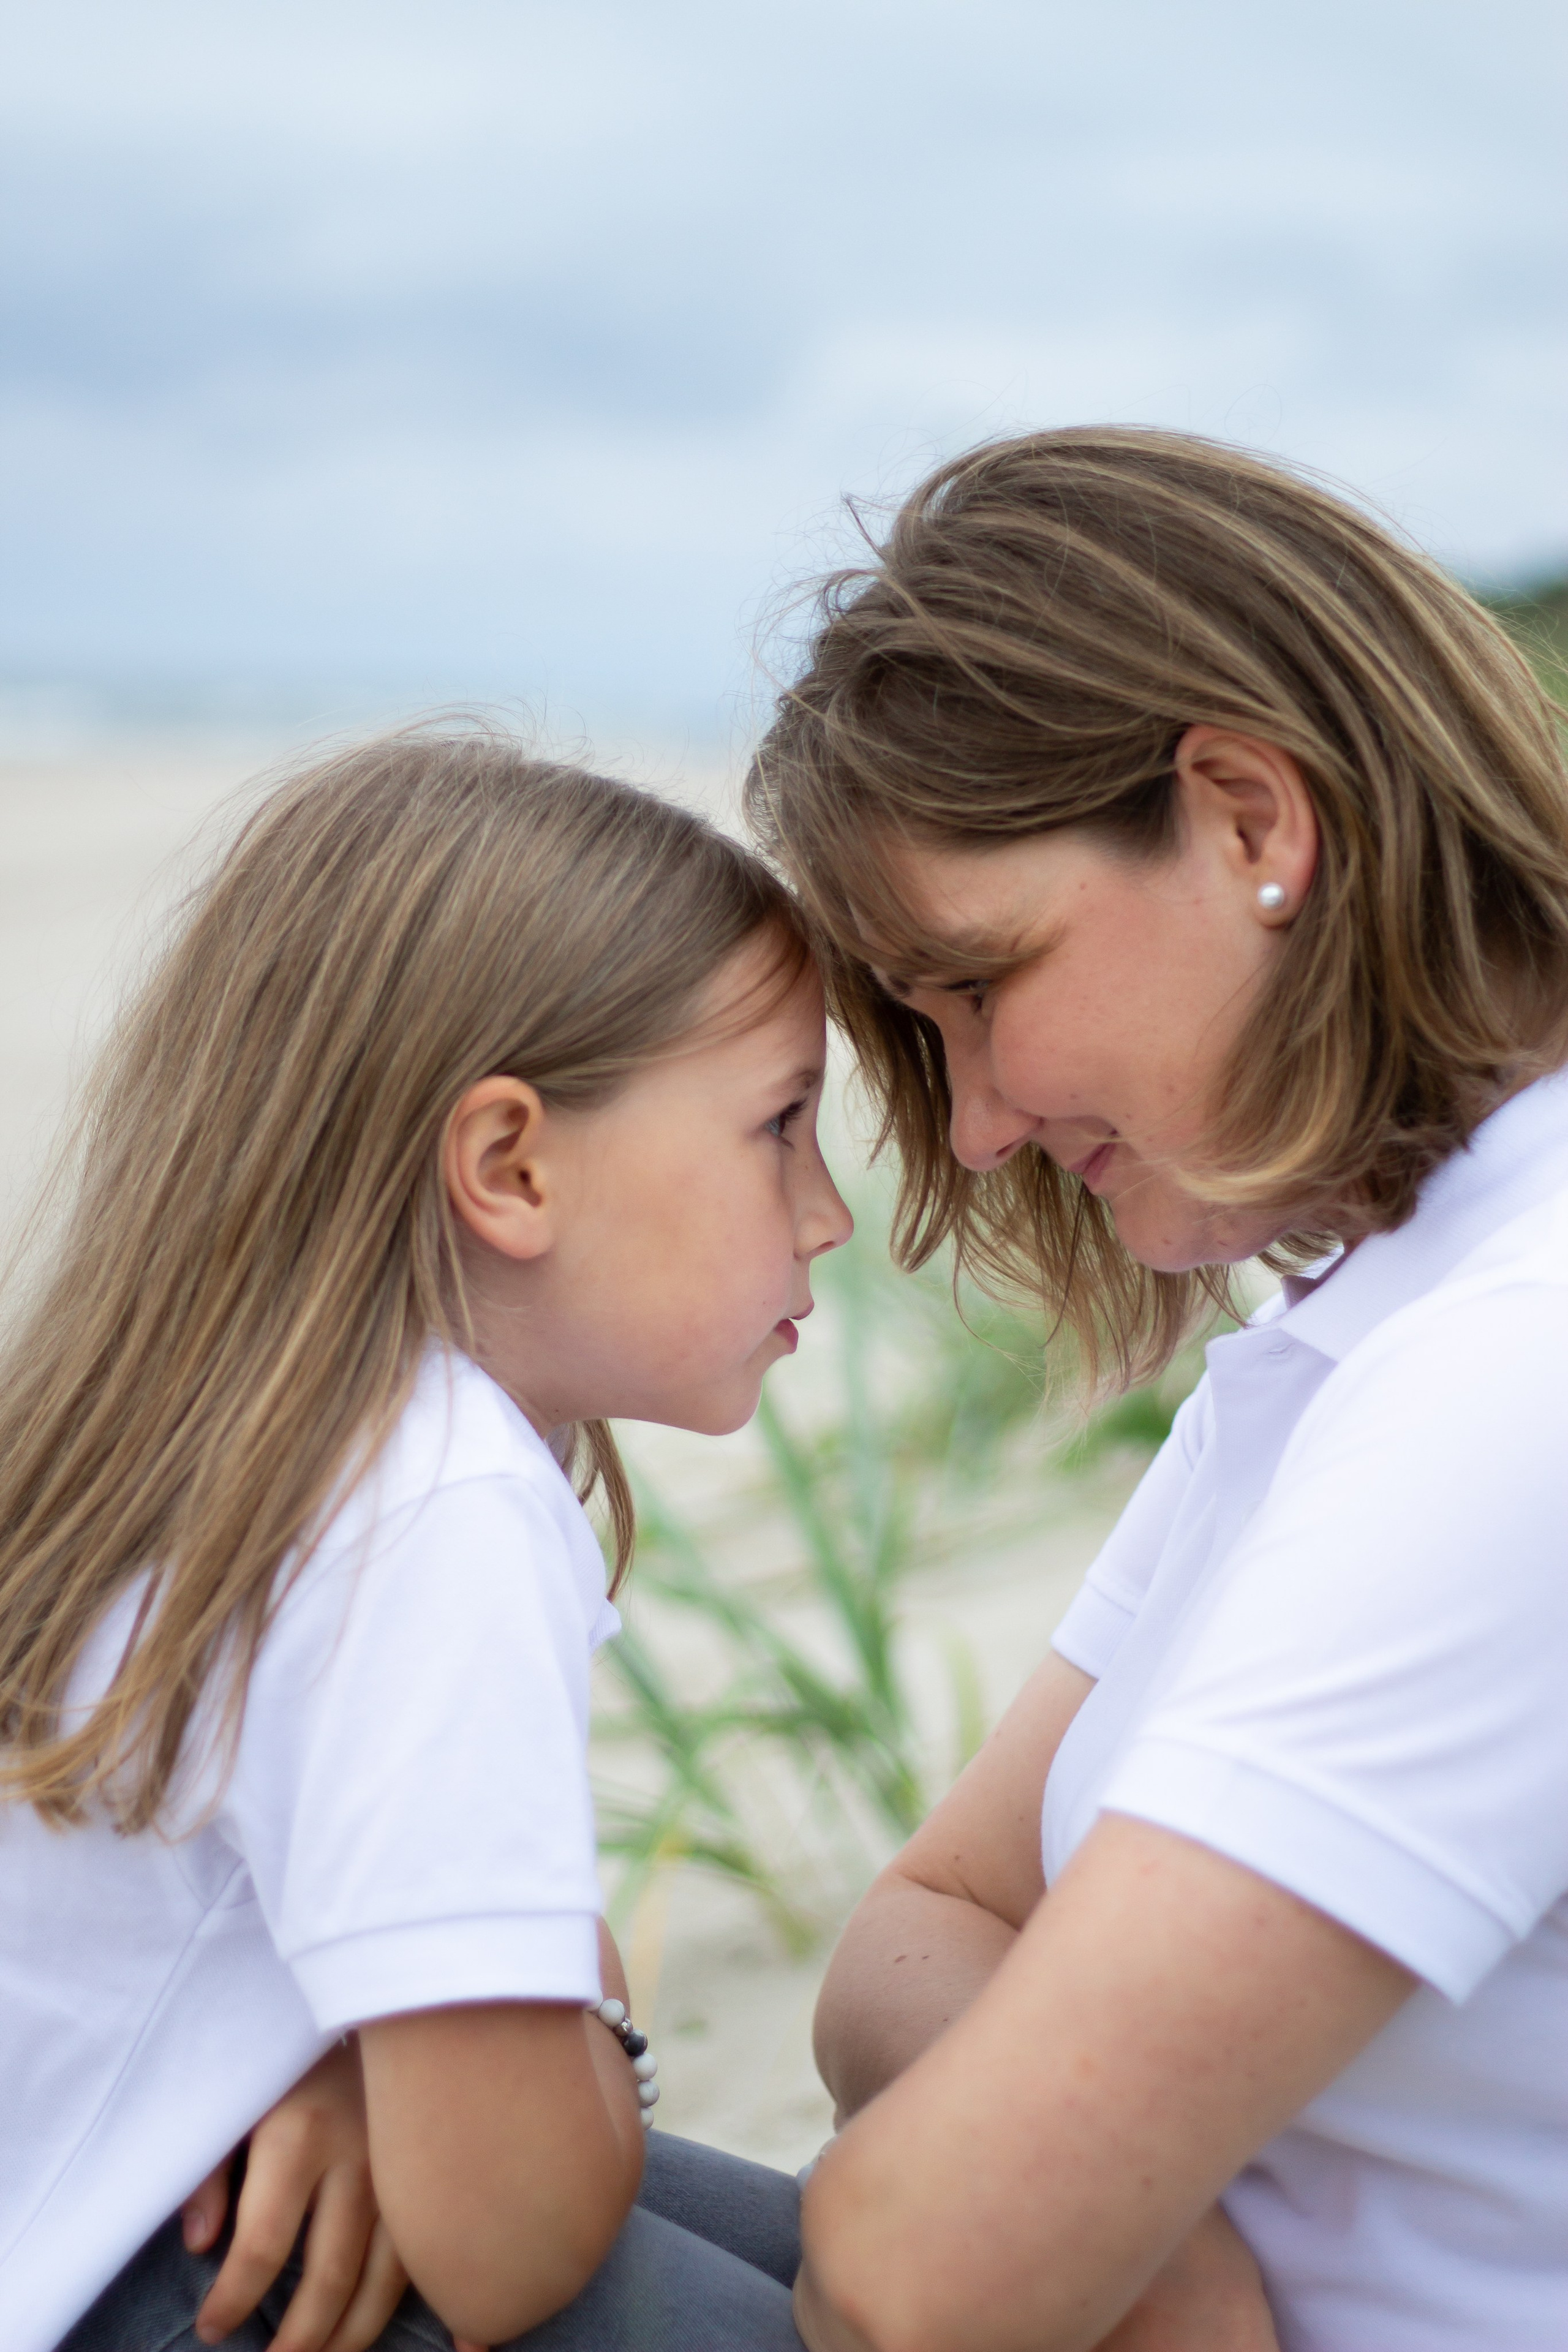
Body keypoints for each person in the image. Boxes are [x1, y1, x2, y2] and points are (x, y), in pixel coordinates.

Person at [745, 427, 1568, 2351]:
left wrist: (1067, 2217)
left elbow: (923, 2278)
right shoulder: (1374, 1320)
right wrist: (1164, 2252)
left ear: (1250, 822)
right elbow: (917, 1923)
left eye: (981, 987)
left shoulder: (1513, 1373)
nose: (980, 1122)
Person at [0, 728, 850, 2352]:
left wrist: (372, 2049)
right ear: (509, 1164)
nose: (829, 1213)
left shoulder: (257, 1434)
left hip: (113, 2228)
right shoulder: (431, 1499)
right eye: (781, 1126)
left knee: (846, 2272)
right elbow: (508, 2244)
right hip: (157, 2283)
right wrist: (586, 2019)